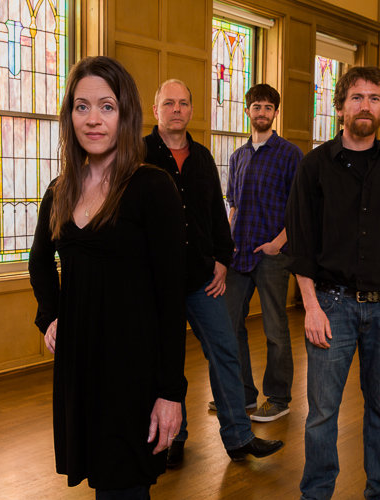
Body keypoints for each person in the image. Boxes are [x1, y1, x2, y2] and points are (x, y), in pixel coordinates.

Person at [28, 56, 187, 499]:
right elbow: (39, 261)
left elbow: (171, 298)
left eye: (106, 106)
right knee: (102, 479)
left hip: (133, 368)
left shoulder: (152, 187)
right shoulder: (60, 190)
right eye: (82, 107)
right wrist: (50, 316)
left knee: (124, 486)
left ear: (126, 114)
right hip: (79, 365)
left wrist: (170, 393)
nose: (93, 119)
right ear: (70, 116)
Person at [286, 66, 380, 500]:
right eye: (356, 97)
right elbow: (302, 243)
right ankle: (316, 494)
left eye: (373, 98)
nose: (364, 106)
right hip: (330, 306)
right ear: (339, 107)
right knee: (321, 414)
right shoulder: (314, 167)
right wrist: (311, 307)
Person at [144, 79, 284, 468]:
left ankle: (239, 438)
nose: (176, 109)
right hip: (155, 284)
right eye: (168, 103)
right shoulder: (138, 155)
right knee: (165, 361)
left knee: (225, 349)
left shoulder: (203, 157)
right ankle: (172, 439)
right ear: (156, 110)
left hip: (201, 279)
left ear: (191, 110)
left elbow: (217, 215)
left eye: (183, 103)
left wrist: (223, 259)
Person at [224, 83, 303, 422]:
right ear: (247, 111)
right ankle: (243, 395)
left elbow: (300, 209)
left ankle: (279, 398)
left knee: (274, 329)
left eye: (268, 107)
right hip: (239, 254)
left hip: (272, 255)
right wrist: (227, 241)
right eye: (256, 106)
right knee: (229, 326)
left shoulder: (290, 154)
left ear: (275, 113)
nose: (262, 112)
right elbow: (233, 205)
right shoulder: (237, 157)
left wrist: (278, 243)